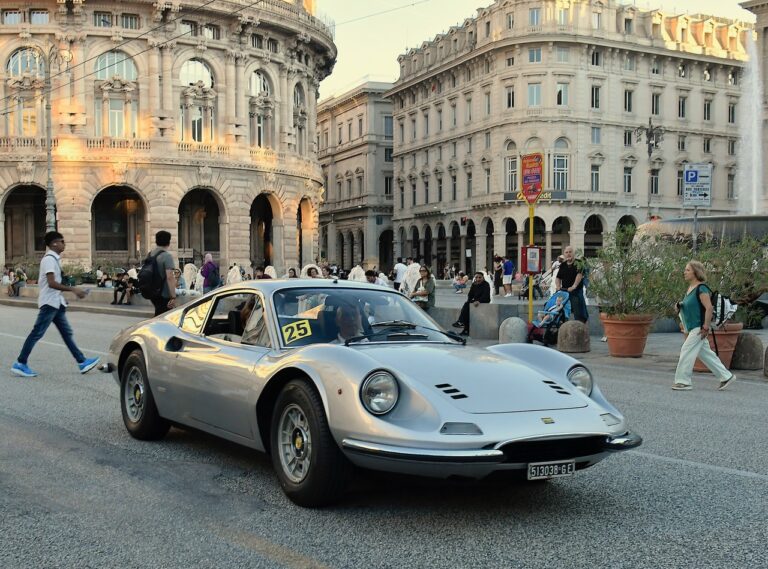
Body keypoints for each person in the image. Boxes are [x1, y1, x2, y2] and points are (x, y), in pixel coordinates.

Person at [11, 231, 100, 378]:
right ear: (54, 244)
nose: (64, 244)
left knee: (66, 333)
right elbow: (52, 283)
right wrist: (73, 289)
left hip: (56, 304)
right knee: (37, 333)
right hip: (49, 304)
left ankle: (82, 361)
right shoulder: (49, 260)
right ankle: (20, 363)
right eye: (62, 241)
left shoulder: (54, 259)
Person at [672, 260, 735, 391]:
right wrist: (680, 306)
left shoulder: (702, 288)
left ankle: (683, 381)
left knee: (686, 350)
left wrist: (705, 327)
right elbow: (691, 306)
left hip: (699, 327)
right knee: (706, 354)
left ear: (696, 272)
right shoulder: (690, 289)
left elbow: (709, 308)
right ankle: (726, 376)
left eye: (687, 270)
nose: (684, 272)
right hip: (693, 327)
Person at [148, 230, 178, 317]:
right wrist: (173, 296)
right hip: (163, 293)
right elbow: (170, 277)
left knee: (159, 315)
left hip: (152, 292)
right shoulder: (167, 256)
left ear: (156, 241)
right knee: (163, 318)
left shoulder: (150, 254)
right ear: (168, 242)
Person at [452, 272, 491, 336]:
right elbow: (470, 294)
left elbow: (486, 296)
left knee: (467, 306)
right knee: (467, 305)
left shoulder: (486, 284)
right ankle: (465, 328)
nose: (478, 279)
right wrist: (470, 300)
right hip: (475, 301)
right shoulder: (474, 284)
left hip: (484, 301)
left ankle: (461, 322)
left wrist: (479, 301)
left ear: (483, 278)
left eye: (480, 277)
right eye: (476, 277)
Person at [556, 246, 588, 323]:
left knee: (579, 312)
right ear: (564, 254)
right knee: (561, 310)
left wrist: (574, 286)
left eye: (570, 252)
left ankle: (580, 326)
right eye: (566, 252)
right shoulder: (563, 265)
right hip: (564, 291)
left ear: (573, 253)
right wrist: (558, 286)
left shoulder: (579, 263)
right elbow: (558, 277)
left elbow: (579, 275)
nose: (568, 254)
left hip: (575, 292)